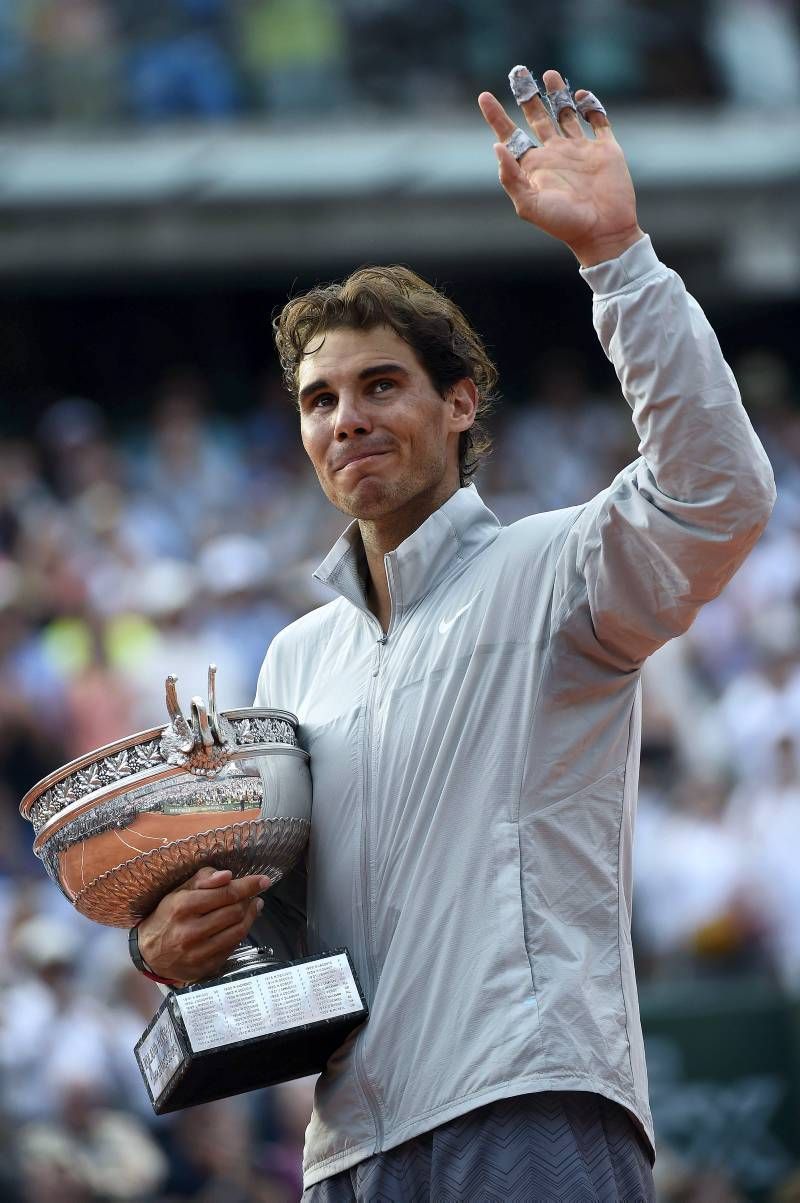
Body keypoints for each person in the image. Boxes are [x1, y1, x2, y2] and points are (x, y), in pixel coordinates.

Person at [133, 67, 775, 1200]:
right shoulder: (294, 659)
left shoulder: (555, 569)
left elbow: (716, 492)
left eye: (381, 385)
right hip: (349, 1145)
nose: (349, 419)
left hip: (529, 1101)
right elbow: (278, 926)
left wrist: (616, 256)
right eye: (319, 400)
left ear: (461, 401)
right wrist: (175, 942)